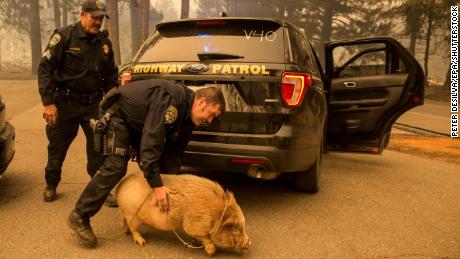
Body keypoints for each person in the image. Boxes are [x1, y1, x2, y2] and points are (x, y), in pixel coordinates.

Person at [67, 79, 226, 248]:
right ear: (202, 102)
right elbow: (151, 142)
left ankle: (151, 213)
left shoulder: (188, 116)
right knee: (116, 166)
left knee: (161, 167)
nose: (209, 121)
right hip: (118, 117)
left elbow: (174, 154)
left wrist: (171, 188)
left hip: (137, 125)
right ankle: (79, 215)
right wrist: (157, 186)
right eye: (211, 115)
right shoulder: (170, 102)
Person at [37, 0, 118, 203]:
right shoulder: (64, 36)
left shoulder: (105, 44)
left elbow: (110, 77)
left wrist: (111, 106)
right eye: (94, 17)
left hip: (93, 105)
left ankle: (98, 190)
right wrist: (48, 103)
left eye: (101, 18)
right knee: (57, 147)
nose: (98, 22)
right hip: (65, 104)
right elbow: (45, 68)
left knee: (98, 148)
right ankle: (51, 184)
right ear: (83, 15)